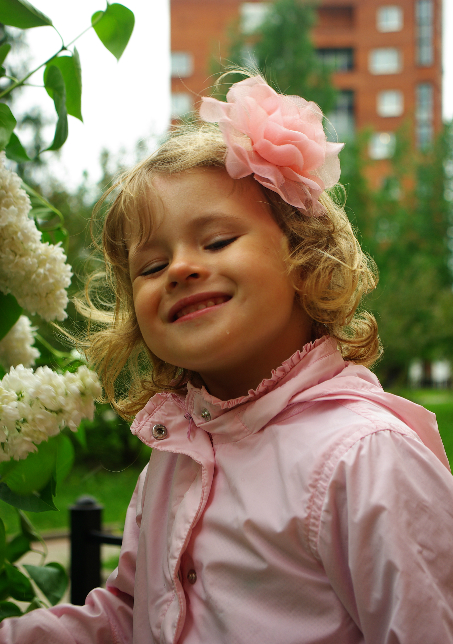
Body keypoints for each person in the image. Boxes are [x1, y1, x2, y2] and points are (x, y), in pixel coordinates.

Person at [2, 74, 453, 643]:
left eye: (216, 241)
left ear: (304, 256)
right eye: (150, 267)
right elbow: (134, 615)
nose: (179, 269)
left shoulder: (365, 459)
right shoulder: (174, 460)